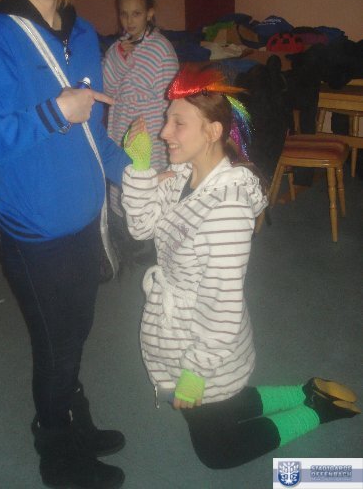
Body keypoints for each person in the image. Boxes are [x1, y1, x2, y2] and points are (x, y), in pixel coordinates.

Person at [0, 0, 130, 489]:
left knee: (74, 336)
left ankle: (77, 422)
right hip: (34, 236)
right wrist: (55, 111)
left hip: (85, 224)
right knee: (56, 350)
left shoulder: (83, 34)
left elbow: (94, 135)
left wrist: (136, 175)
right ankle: (57, 454)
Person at [121, 64, 360, 469]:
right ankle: (303, 391)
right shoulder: (181, 176)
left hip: (204, 341)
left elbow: (222, 302)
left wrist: (196, 371)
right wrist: (141, 170)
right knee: (217, 406)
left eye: (178, 123)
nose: (163, 133)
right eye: (166, 120)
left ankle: (318, 410)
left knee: (217, 452)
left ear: (212, 131)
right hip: (178, 328)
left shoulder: (225, 210)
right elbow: (142, 226)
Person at [103, 0, 179, 266]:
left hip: (151, 130)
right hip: (122, 125)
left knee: (148, 182)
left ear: (150, 13)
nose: (129, 21)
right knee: (124, 180)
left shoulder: (161, 49)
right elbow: (108, 89)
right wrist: (122, 58)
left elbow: (170, 97)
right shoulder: (116, 49)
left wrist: (166, 134)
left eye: (136, 14)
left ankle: (153, 244)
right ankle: (126, 239)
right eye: (124, 14)